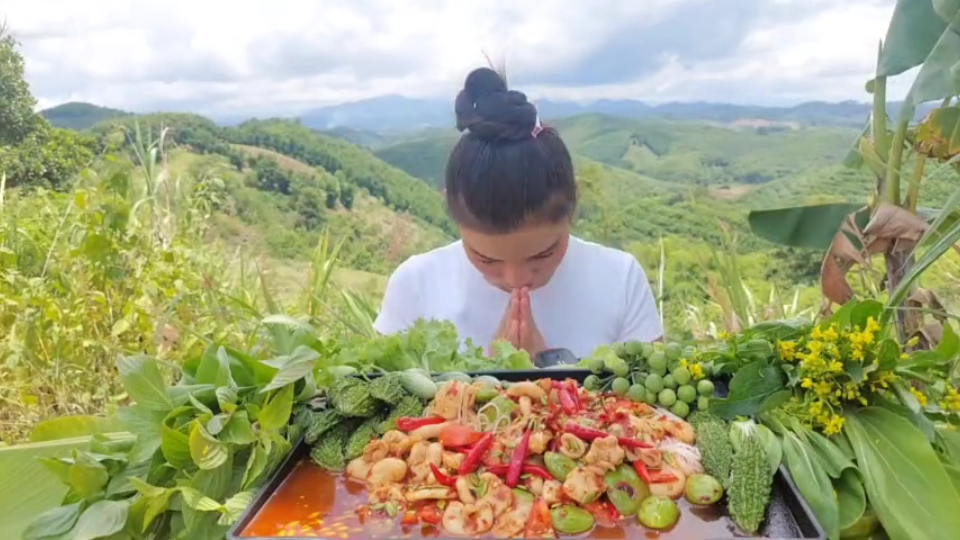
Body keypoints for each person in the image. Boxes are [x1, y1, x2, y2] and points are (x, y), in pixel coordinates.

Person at [373, 66, 663, 359]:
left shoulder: (619, 280)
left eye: (543, 254)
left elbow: (651, 401)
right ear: (452, 210)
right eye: (486, 258)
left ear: (574, 203)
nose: (516, 279)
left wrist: (543, 373)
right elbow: (385, 401)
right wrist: (494, 376)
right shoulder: (415, 285)